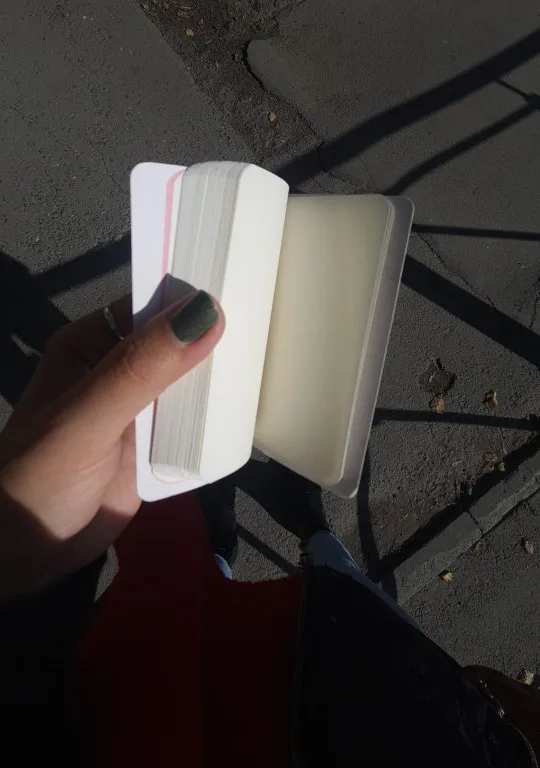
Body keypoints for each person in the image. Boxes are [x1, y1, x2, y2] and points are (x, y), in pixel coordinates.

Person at [0, 291, 537, 767]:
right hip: (389, 675)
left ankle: (220, 545)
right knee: (343, 583)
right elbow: (496, 688)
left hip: (182, 692)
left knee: (213, 589)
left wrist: (29, 583)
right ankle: (309, 528)